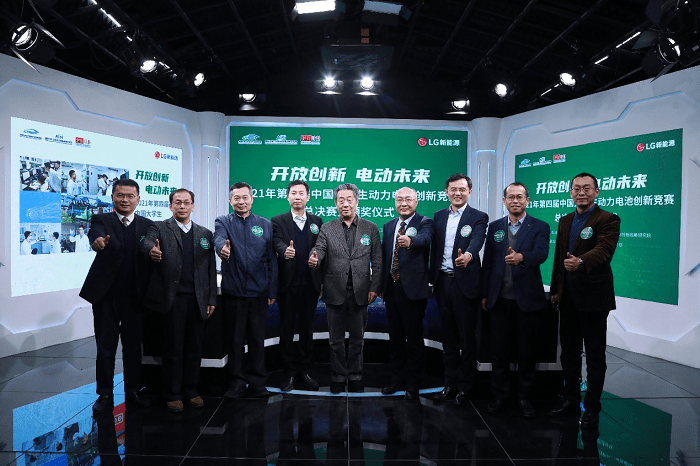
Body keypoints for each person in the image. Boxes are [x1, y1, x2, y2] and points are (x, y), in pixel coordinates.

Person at [549, 172, 620, 428]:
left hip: (594, 298)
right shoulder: (565, 220)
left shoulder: (608, 219)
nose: (581, 192)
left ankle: (591, 407)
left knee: (594, 356)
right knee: (568, 353)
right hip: (567, 297)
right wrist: (555, 289)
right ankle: (570, 398)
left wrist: (581, 262)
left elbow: (604, 251)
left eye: (587, 188)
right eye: (576, 188)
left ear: (596, 192)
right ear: (570, 192)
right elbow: (559, 256)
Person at [79, 178, 154, 415]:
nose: (125, 200)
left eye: (130, 196)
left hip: (135, 296)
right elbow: (95, 236)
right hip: (106, 296)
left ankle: (133, 390)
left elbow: (151, 247)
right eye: (120, 195)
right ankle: (104, 393)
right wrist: (97, 242)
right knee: (105, 347)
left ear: (138, 199)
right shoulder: (101, 220)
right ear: (112, 197)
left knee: (133, 347)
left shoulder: (147, 225)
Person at [141, 188, 216, 413]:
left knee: (194, 348)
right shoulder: (159, 227)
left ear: (193, 206)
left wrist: (211, 297)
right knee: (173, 348)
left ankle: (191, 390)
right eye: (177, 202)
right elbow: (146, 242)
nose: (182, 206)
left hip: (198, 300)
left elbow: (210, 269)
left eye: (186, 202)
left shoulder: (205, 233)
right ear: (170, 206)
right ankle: (173, 393)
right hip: (172, 299)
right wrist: (151, 251)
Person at [481, 182, 550, 417]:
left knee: (526, 353)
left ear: (527, 200)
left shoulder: (540, 226)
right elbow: (489, 261)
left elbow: (541, 254)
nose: (515, 201)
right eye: (510, 197)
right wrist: (485, 293)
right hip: (499, 299)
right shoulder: (495, 227)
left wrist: (522, 257)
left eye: (520, 197)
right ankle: (499, 396)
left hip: (527, 300)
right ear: (504, 201)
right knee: (499, 352)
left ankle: (524, 398)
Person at [308, 183, 382, 393]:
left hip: (361, 291)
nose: (345, 204)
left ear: (357, 202)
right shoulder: (327, 228)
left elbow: (377, 260)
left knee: (358, 338)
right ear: (335, 203)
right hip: (334, 290)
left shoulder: (370, 227)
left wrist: (374, 287)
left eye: (350, 200)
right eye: (341, 200)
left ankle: (356, 375)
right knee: (336, 340)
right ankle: (338, 376)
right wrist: (314, 258)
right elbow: (319, 249)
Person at [214, 181, 278, 399]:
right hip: (234, 292)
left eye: (245, 197)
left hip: (259, 292)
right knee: (235, 340)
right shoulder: (223, 221)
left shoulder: (265, 224)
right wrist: (221, 248)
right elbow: (218, 238)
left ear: (252, 199)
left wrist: (272, 290)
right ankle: (237, 382)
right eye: (236, 198)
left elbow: (271, 260)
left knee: (257, 339)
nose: (241, 202)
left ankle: (258, 382)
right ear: (230, 200)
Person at [429, 173, 488, 405]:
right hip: (443, 283)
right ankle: (449, 383)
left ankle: (465, 387)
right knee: (448, 338)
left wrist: (470, 255)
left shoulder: (478, 216)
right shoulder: (439, 216)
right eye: (453, 189)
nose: (457, 193)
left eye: (462, 189)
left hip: (465, 285)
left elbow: (478, 239)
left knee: (466, 338)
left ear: (469, 192)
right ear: (446, 192)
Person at [380, 187, 434, 400]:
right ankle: (396, 379)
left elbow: (425, 239)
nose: (403, 203)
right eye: (399, 199)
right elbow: (385, 257)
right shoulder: (389, 225)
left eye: (408, 199)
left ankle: (413, 384)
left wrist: (411, 241)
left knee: (414, 340)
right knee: (395, 338)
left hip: (413, 290)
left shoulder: (425, 222)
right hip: (392, 289)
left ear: (416, 201)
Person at [272, 180, 323, 392]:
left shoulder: (317, 221)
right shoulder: (278, 220)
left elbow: (321, 246)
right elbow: (276, 241)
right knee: (286, 329)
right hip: (288, 285)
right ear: (288, 197)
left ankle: (304, 370)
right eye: (293, 193)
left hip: (310, 284)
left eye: (301, 193)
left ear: (308, 197)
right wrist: (285, 250)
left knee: (306, 329)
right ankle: (289, 372)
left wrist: (317, 257)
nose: (297, 197)